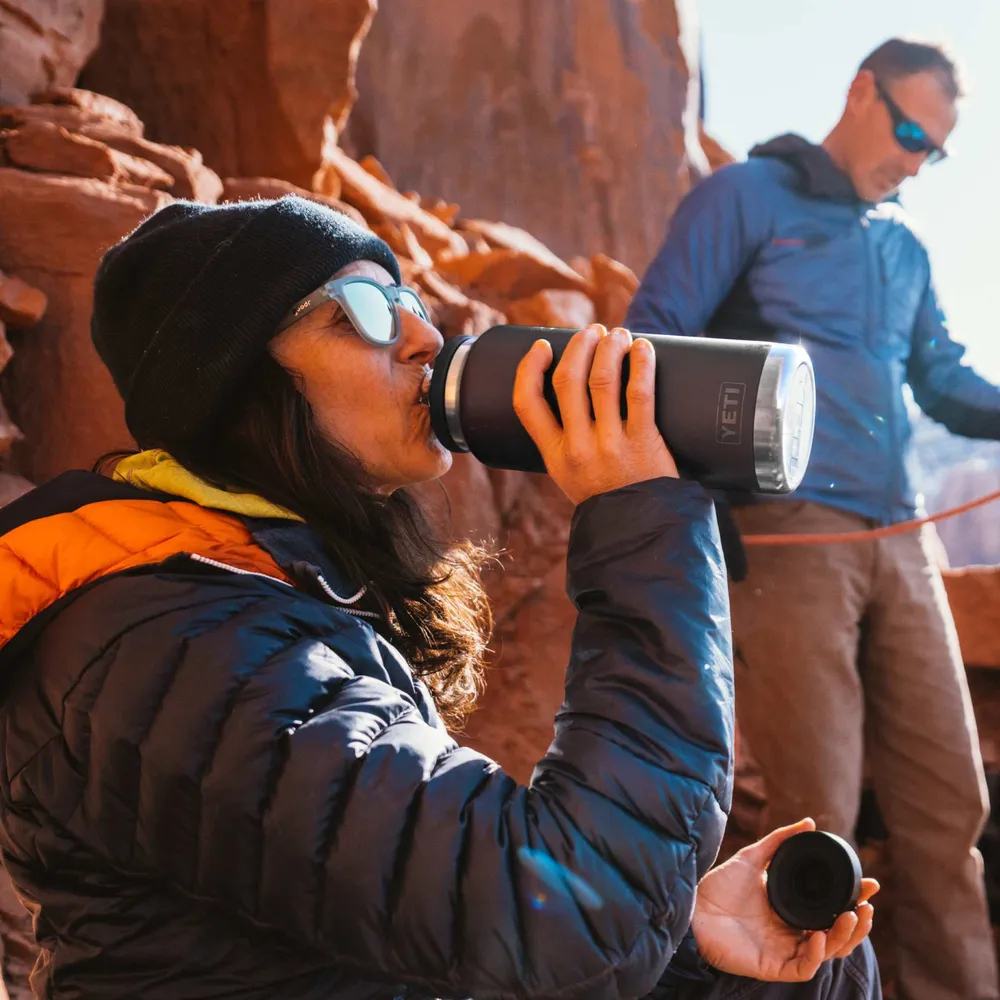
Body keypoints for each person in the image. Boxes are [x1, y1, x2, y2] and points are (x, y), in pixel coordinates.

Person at [0, 196, 877, 998]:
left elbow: (461, 924)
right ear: (234, 379)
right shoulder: (169, 645)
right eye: (368, 312)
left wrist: (685, 937)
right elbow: (559, 915)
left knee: (813, 977)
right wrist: (643, 523)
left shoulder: (277, 605)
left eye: (416, 301)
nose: (424, 338)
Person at [626, 37, 998, 1000]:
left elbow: (946, 381)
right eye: (911, 131)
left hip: (901, 537)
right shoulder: (746, 197)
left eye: (936, 150)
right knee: (817, 818)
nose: (916, 160)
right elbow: (654, 335)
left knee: (948, 807)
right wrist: (704, 508)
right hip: (788, 534)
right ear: (861, 91)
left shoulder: (902, 245)